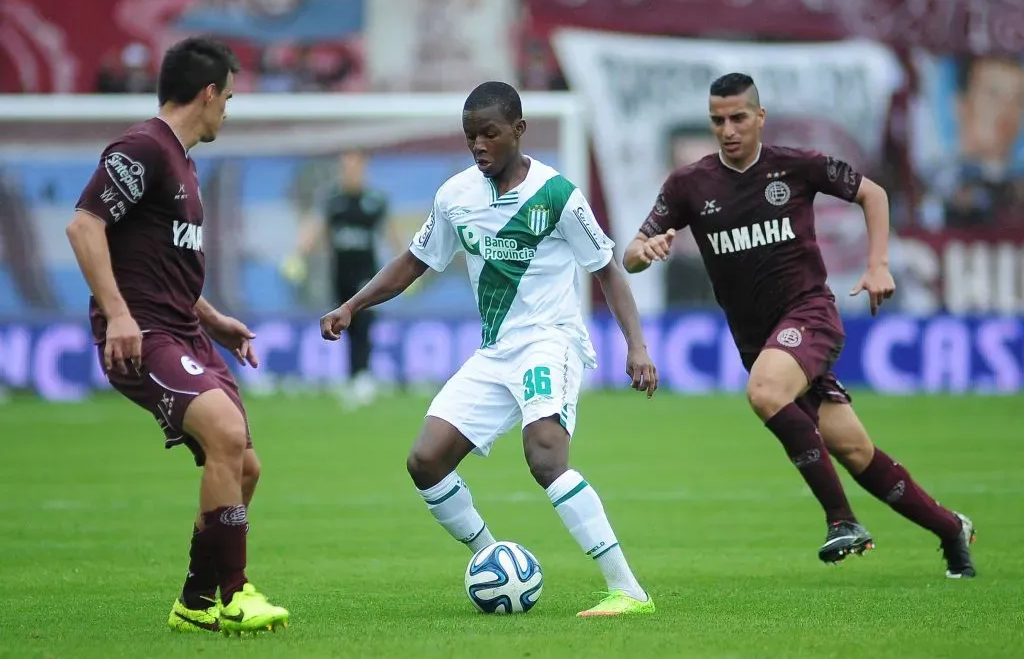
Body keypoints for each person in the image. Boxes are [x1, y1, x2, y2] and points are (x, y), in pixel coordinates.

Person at [321, 81, 658, 616]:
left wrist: (636, 347)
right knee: (425, 461)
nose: (478, 145)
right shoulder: (456, 196)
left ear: (519, 131)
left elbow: (607, 271)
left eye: (489, 134)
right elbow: (413, 261)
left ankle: (627, 589)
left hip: (551, 342)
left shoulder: (558, 196)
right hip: (495, 350)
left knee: (545, 455)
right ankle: (493, 559)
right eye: (470, 136)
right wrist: (352, 306)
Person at [622, 73, 977, 578]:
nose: (728, 129)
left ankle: (841, 521)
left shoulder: (795, 166)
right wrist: (645, 250)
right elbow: (631, 254)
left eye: (738, 118)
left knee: (764, 392)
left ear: (759, 117)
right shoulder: (689, 184)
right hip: (761, 341)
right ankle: (951, 530)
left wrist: (878, 264)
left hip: (809, 316)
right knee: (856, 450)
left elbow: (872, 194)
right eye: (717, 120)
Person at [66, 37, 290, 634]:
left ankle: (194, 602)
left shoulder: (182, 163)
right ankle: (236, 594)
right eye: (229, 98)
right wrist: (117, 314)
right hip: (144, 334)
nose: (228, 111)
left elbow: (157, 262)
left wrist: (213, 318)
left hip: (186, 331)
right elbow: (84, 226)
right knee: (224, 429)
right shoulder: (143, 148)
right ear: (209, 92)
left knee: (245, 467)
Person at [283, 149, 389, 406]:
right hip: (341, 274)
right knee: (347, 326)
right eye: (347, 166)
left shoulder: (374, 201)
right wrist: (298, 255)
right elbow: (315, 228)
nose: (351, 170)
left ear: (363, 168)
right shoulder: (333, 200)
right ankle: (355, 377)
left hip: (367, 276)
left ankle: (364, 377)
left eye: (355, 165)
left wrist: (411, 264)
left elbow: (391, 231)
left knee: (364, 321)